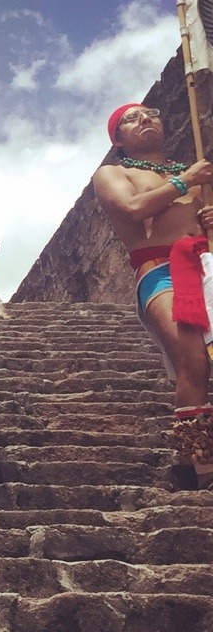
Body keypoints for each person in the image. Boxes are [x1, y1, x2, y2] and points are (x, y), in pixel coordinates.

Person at [92, 102, 213, 484]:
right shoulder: (113, 172)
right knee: (192, 360)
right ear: (118, 140)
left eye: (152, 113)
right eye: (132, 118)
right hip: (160, 272)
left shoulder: (196, 173)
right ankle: (203, 467)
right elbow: (132, 208)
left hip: (207, 265)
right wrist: (185, 182)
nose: (145, 119)